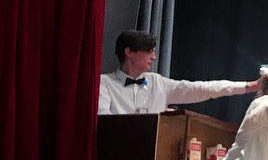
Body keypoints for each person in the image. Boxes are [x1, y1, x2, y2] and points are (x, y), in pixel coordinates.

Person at [98, 29, 259, 115]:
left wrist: (247, 86)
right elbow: (104, 122)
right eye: (148, 51)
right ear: (129, 52)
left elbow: (201, 89)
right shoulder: (104, 83)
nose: (154, 57)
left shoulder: (158, 83)